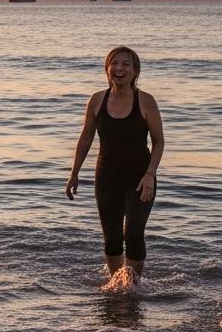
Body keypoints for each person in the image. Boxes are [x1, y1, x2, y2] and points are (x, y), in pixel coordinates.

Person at [65, 46, 165, 278]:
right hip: (107, 177)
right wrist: (74, 173)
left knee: (134, 234)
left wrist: (150, 174)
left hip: (140, 178)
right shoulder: (97, 100)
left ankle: (132, 285)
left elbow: (158, 141)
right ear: (107, 68)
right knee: (112, 238)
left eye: (126, 64)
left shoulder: (146, 101)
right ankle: (116, 284)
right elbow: (86, 137)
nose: (119, 68)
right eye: (114, 63)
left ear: (135, 71)